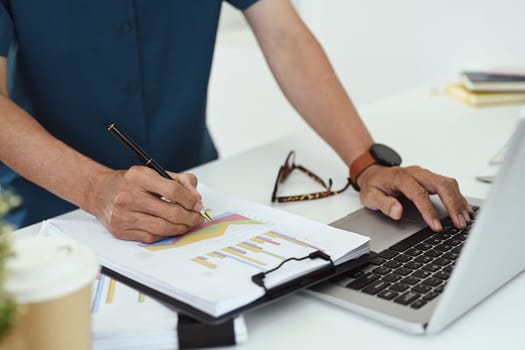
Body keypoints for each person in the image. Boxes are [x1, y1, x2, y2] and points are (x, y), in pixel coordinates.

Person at [0, 0, 471, 243]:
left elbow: (284, 33)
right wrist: (96, 190)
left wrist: (366, 163)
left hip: (196, 190)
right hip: (49, 214)